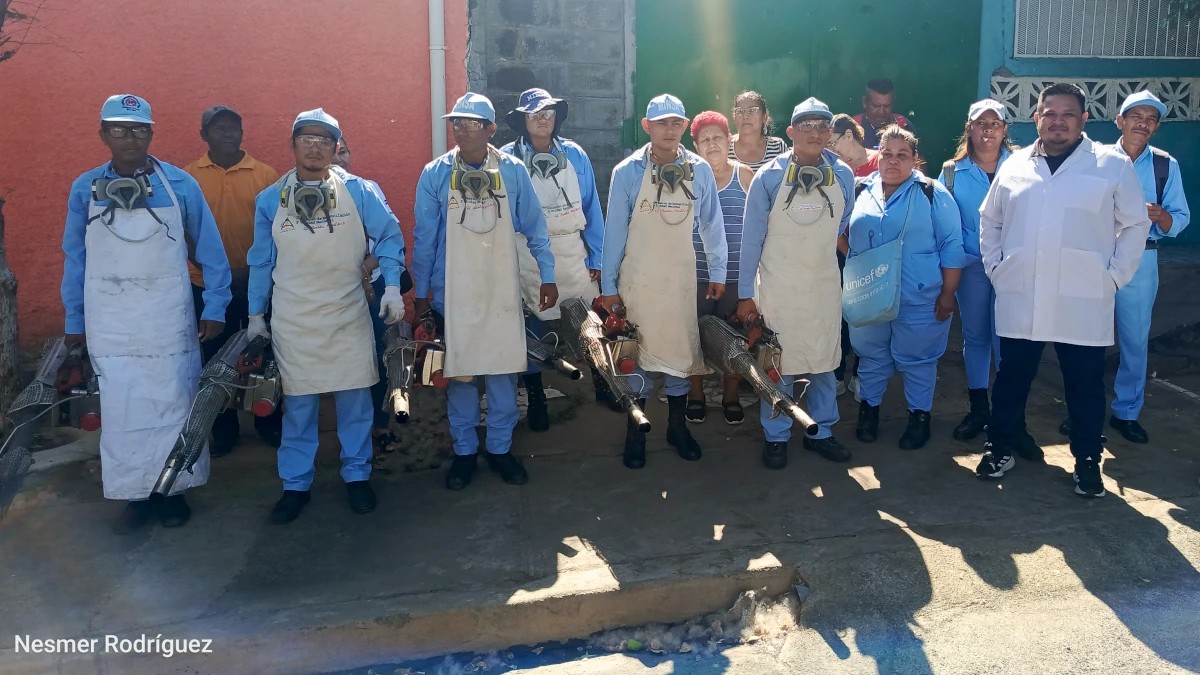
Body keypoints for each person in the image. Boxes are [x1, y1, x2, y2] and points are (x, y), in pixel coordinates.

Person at [62, 94, 232, 533]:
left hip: (167, 319)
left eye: (138, 129)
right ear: (103, 134)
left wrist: (214, 306)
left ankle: (173, 491)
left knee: (175, 404)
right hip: (111, 322)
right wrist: (74, 321)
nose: (129, 137)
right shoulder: (84, 188)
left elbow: (211, 252)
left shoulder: (179, 185)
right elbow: (75, 259)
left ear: (151, 133)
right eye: (118, 129)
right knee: (122, 412)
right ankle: (135, 496)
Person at [974, 83, 1151, 498]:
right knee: (1011, 379)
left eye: (1067, 114)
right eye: (1049, 113)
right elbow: (990, 220)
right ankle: (999, 448)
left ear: (1084, 119)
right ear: (1036, 118)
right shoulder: (1015, 163)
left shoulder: (1111, 165)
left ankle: (1087, 461)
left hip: (1083, 297)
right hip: (1021, 292)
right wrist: (998, 268)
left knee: (1085, 386)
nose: (1057, 121)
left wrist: (1113, 277)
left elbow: (1135, 225)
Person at [247, 108, 408, 523]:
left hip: (347, 312)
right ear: (293, 144)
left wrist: (392, 285)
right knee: (298, 407)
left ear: (337, 147)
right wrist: (255, 314)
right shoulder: (270, 200)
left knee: (356, 402)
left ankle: (357, 476)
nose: (315, 146)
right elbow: (261, 262)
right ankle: (295, 486)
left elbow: (390, 236)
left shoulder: (360, 191)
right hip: (294, 318)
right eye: (307, 138)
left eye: (325, 139)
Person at [413, 93, 557, 491]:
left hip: (501, 290)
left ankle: (499, 448)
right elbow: (425, 239)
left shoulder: (512, 171)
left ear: (491, 129)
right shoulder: (435, 173)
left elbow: (535, 228)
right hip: (451, 293)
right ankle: (463, 452)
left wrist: (548, 275)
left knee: (501, 373)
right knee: (459, 373)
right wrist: (422, 296)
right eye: (457, 123)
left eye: (472, 123)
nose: (462, 129)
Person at [599, 94, 728, 469]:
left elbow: (711, 226)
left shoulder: (700, 171)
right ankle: (636, 430)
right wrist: (609, 286)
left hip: (679, 281)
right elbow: (614, 234)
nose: (669, 130)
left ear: (685, 127)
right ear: (647, 127)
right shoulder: (627, 172)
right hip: (638, 280)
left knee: (680, 355)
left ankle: (676, 427)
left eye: (676, 123)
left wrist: (717, 271)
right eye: (661, 123)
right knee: (634, 355)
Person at [1058, 92, 1190, 445]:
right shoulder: (1096, 160)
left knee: (1134, 340)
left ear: (1156, 127)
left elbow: (1180, 218)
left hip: (1142, 260)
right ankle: (1081, 412)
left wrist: (1161, 216)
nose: (1143, 123)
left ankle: (1126, 412)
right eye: (1136, 116)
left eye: (1150, 119)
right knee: (1085, 338)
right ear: (1120, 120)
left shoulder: (1165, 166)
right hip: (1096, 256)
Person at [738, 98, 855, 468]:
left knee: (823, 363)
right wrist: (745, 296)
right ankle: (776, 436)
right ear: (791, 133)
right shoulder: (768, 177)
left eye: (823, 126)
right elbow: (751, 240)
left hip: (822, 286)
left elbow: (842, 223)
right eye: (807, 126)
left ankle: (822, 432)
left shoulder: (844, 176)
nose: (816, 133)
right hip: (778, 289)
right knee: (778, 365)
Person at [840, 126, 964, 450]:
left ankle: (919, 418)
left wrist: (948, 293)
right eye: (888, 154)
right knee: (870, 357)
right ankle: (869, 412)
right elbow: (839, 233)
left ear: (915, 160)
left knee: (918, 359)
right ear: (877, 157)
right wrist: (857, 262)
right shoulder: (858, 191)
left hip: (920, 297)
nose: (894, 162)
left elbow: (952, 244)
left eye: (902, 155)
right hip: (870, 294)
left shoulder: (932, 193)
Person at [500, 88, 604, 431]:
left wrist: (597, 255)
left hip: (572, 249)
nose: (542, 119)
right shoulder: (506, 159)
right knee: (531, 325)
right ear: (522, 121)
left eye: (548, 112)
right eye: (534, 114)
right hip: (526, 254)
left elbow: (591, 207)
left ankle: (603, 382)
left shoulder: (575, 155)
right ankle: (535, 395)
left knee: (588, 323)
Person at [183, 105, 282, 456]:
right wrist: (218, 275)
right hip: (207, 287)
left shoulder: (266, 175)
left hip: (257, 284)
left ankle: (269, 421)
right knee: (215, 359)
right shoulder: (188, 177)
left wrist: (253, 273)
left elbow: (278, 230)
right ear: (203, 135)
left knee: (265, 355)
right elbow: (185, 232)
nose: (227, 133)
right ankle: (223, 429)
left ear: (242, 132)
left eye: (233, 127)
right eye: (218, 127)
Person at [937, 99, 1015, 442]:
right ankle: (979, 408)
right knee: (977, 337)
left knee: (1009, 339)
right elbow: (945, 225)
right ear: (969, 128)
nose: (988, 130)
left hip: (1015, 267)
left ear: (1004, 130)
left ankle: (1008, 411)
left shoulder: (1025, 166)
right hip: (972, 268)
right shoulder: (952, 172)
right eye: (981, 123)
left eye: (994, 124)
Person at [331, 136, 411, 452]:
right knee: (342, 361)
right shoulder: (303, 193)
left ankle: (378, 425)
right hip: (330, 293)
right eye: (332, 151)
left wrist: (370, 263)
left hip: (373, 286)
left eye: (344, 151)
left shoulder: (367, 188)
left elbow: (389, 235)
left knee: (378, 355)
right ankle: (350, 433)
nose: (339, 158)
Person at [686, 110, 752, 425]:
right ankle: (695, 393)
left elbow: (758, 229)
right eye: (705, 139)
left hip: (736, 274)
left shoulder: (746, 176)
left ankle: (730, 395)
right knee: (693, 333)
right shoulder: (687, 178)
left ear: (730, 140)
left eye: (718, 137)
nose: (712, 144)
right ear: (696, 145)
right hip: (696, 274)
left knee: (735, 336)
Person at [727, 91, 788, 172]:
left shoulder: (778, 147)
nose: (745, 116)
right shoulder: (726, 147)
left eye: (752, 110)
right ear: (734, 117)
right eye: (740, 111)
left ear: (764, 117)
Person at [853, 78, 914, 149]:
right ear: (864, 102)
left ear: (893, 102)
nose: (882, 111)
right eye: (876, 106)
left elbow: (918, 158)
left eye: (887, 106)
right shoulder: (852, 126)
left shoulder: (904, 125)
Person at [828, 114, 879, 178]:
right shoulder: (830, 168)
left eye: (831, 143)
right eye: (826, 147)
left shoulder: (882, 159)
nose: (829, 150)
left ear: (849, 136)